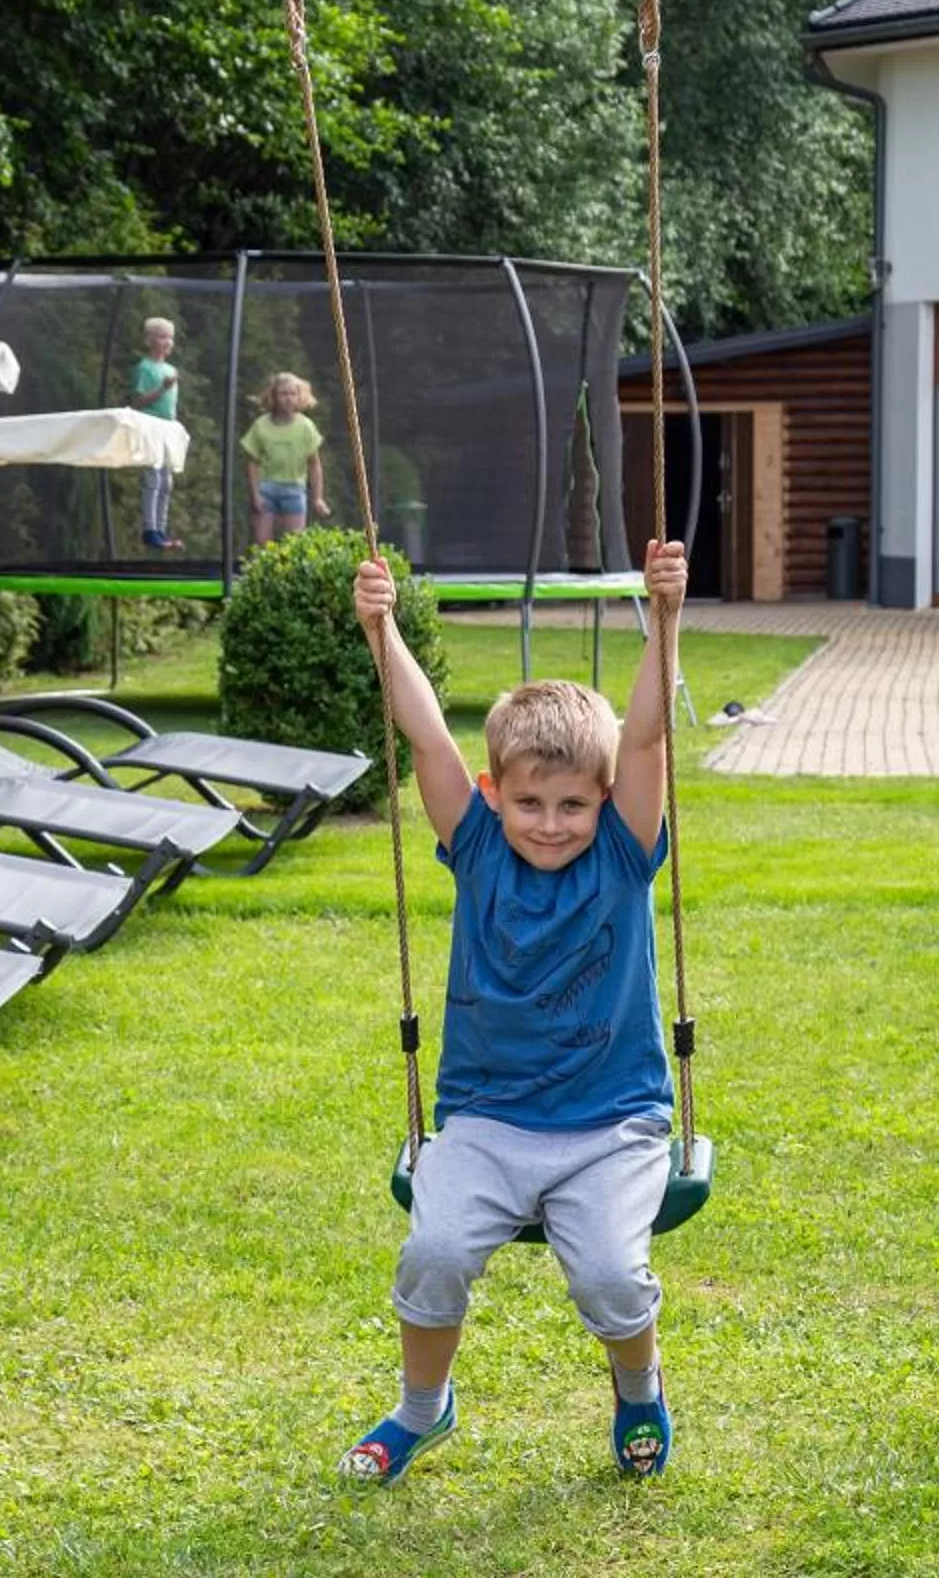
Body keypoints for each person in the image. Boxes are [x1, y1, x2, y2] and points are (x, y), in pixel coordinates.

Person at [337, 535, 693, 1486]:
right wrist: (382, 631)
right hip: (487, 1120)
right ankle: (423, 1409)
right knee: (432, 1253)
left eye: (574, 804)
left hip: (612, 1125)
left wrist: (663, 622)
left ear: (605, 800)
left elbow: (645, 738)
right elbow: (428, 739)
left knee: (612, 1279)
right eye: (530, 802)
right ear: (494, 796)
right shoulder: (479, 847)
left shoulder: (623, 854)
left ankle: (639, 1388)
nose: (550, 823)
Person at [240, 371, 329, 545]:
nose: (288, 399)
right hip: (266, 488)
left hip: (294, 489)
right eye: (283, 394)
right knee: (262, 541)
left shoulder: (306, 427)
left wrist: (318, 497)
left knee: (294, 542)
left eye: (292, 394)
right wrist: (255, 494)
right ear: (274, 396)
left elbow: (314, 464)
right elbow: (252, 463)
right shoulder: (261, 425)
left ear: (299, 397)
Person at [127, 315, 184, 549]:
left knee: (166, 481)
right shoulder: (145, 368)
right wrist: (162, 388)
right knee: (153, 477)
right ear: (149, 340)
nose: (167, 342)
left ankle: (161, 528)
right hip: (150, 425)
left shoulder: (171, 369)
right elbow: (138, 400)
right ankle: (150, 529)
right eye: (161, 337)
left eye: (170, 337)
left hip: (166, 428)